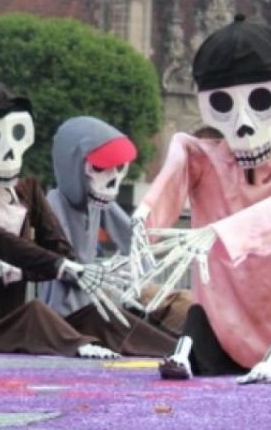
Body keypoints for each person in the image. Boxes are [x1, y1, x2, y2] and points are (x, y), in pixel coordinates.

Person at [137, 15, 271, 384]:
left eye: (260, 100)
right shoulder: (201, 156)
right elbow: (175, 169)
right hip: (225, 325)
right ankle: (183, 355)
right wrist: (142, 220)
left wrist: (220, 232)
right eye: (222, 104)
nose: (242, 124)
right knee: (198, 314)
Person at [0, 82, 119, 359]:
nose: (9, 153)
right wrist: (60, 266)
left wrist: (17, 272)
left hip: (20, 320)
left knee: (97, 316)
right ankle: (77, 345)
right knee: (36, 311)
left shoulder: (29, 190)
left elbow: (60, 249)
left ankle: (174, 344)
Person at [40, 116, 178, 356]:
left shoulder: (98, 204)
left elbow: (135, 241)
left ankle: (181, 350)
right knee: (128, 332)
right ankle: (180, 352)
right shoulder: (54, 203)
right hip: (64, 315)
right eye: (99, 168)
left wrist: (144, 274)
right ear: (74, 166)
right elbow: (62, 260)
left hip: (92, 305)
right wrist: (102, 272)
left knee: (139, 329)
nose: (113, 181)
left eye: (119, 168)